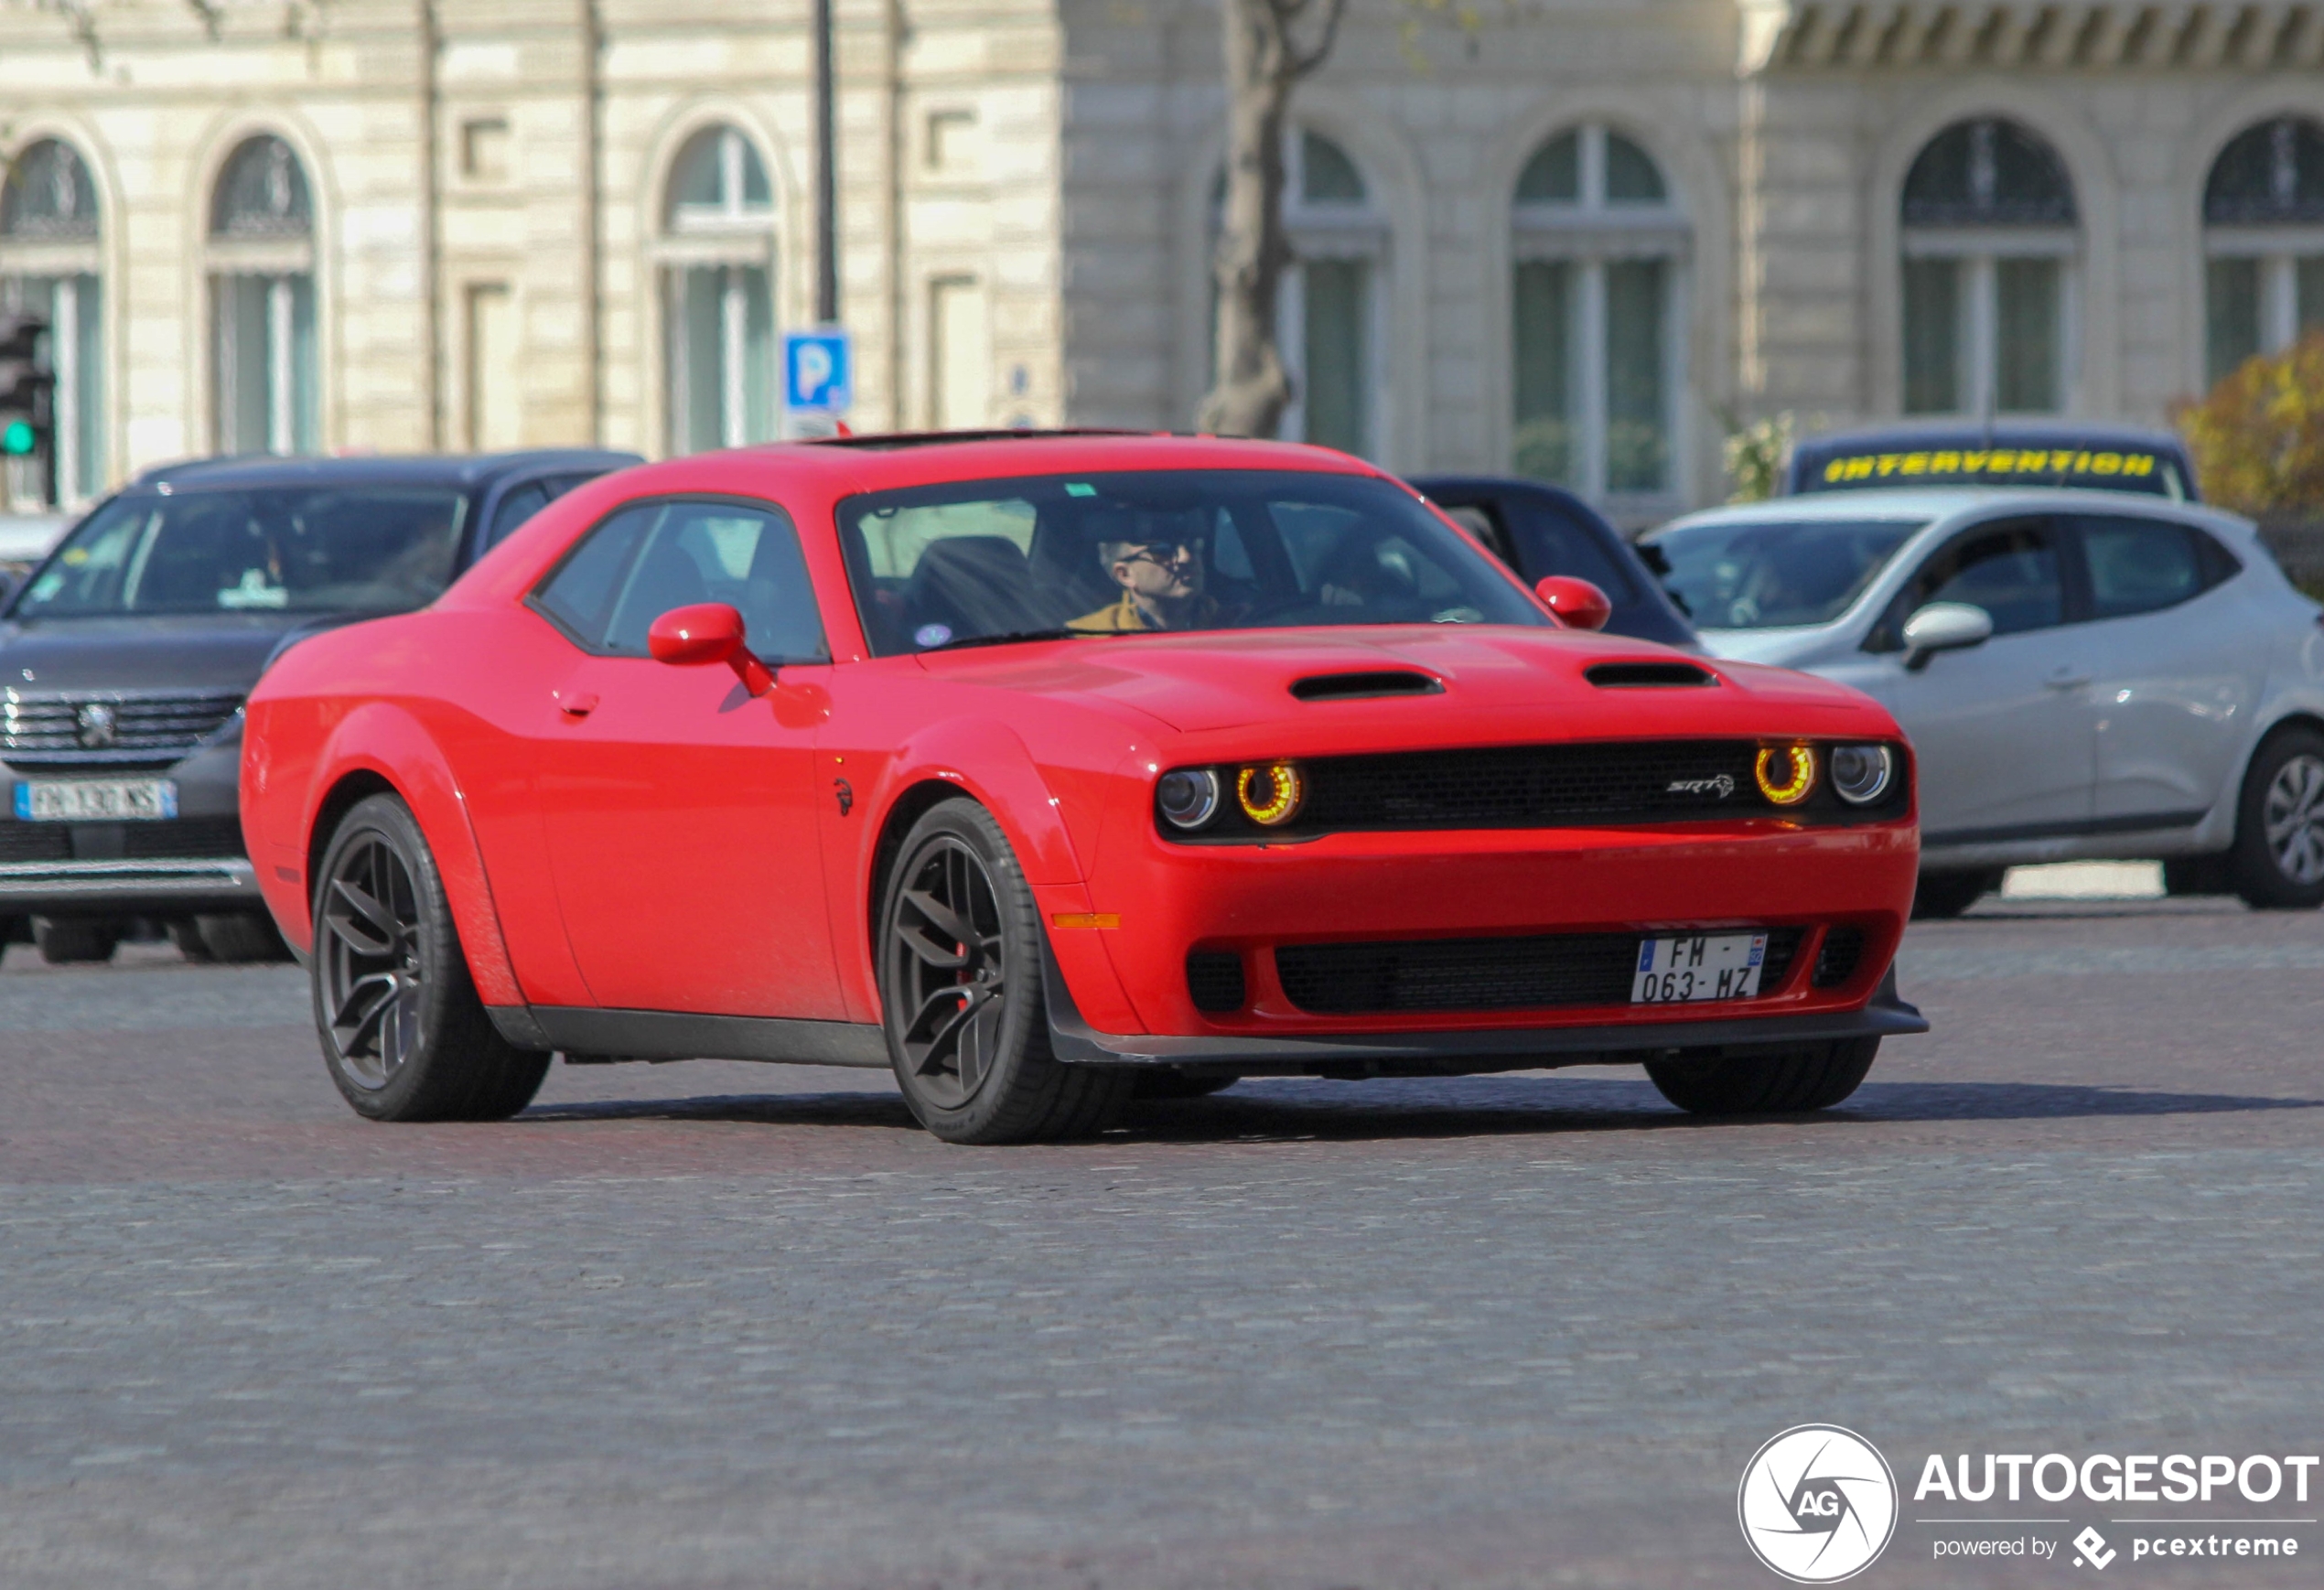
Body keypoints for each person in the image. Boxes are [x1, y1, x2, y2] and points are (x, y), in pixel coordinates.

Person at [1067, 518, 1216, 632]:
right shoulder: (1086, 637)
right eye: (1162, 552)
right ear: (1125, 575)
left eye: (1193, 546)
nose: (1186, 557)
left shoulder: (1235, 624)